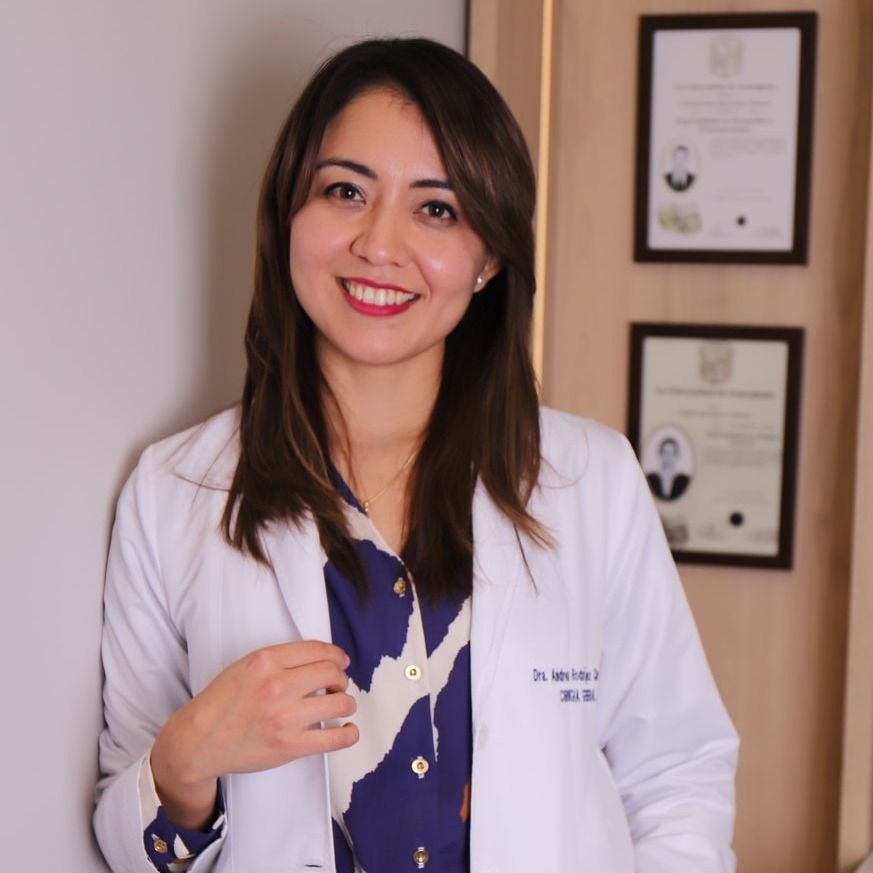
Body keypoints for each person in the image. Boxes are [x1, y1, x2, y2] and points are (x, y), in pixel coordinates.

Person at [94, 37, 738, 873]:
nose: (379, 243)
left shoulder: (591, 480)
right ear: (288, 215)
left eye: (435, 209)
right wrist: (186, 759)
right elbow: (134, 845)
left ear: (489, 256)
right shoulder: (176, 492)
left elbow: (678, 773)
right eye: (345, 191)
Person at [646, 435, 692, 501]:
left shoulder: (684, 479)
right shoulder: (651, 477)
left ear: (676, 455)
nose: (668, 457)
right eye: (665, 452)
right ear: (661, 454)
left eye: (671, 453)